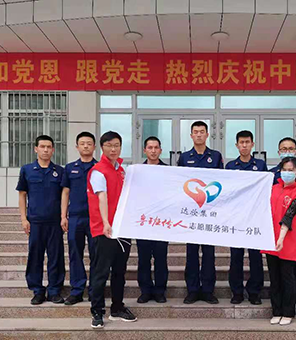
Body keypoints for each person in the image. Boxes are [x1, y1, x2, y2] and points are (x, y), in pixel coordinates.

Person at [87, 131, 137, 329]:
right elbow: (102, 198)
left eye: (117, 145)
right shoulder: (98, 171)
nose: (113, 149)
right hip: (104, 229)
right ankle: (97, 311)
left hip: (122, 229)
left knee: (119, 271)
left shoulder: (122, 170)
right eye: (109, 145)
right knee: (100, 272)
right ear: (102, 148)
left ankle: (117, 308)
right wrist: (106, 222)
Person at [177, 121, 224, 305]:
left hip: (209, 213)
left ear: (207, 135)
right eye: (195, 132)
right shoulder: (184, 157)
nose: (198, 135)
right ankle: (192, 290)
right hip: (191, 213)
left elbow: (222, 182)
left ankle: (208, 290)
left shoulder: (216, 156)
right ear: (191, 135)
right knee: (191, 253)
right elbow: (179, 183)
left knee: (209, 254)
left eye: (201, 132)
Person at [16, 135, 65, 305]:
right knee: (35, 257)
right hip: (35, 221)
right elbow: (22, 195)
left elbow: (65, 196)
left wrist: (63, 217)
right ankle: (37, 290)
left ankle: (54, 291)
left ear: (53, 150)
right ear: (35, 149)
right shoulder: (27, 170)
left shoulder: (60, 171)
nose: (45, 150)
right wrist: (24, 219)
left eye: (49, 147)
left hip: (54, 222)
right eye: (42, 146)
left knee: (56, 257)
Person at [262, 156, 296, 326]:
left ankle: (288, 312)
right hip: (271, 238)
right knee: (274, 277)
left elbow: (289, 216)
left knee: (287, 276)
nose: (287, 173)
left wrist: (281, 238)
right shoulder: (273, 188)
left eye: (291, 170)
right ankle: (276, 311)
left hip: (287, 239)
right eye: (284, 170)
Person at [225, 130, 267, 305]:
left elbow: (265, 191)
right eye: (241, 142)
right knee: (236, 257)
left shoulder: (260, 165)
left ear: (252, 144)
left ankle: (254, 292)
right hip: (236, 218)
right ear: (237, 145)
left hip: (255, 217)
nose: (244, 145)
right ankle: (237, 292)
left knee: (255, 257)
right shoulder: (230, 166)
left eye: (247, 142)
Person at [270, 137, 296, 304]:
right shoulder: (272, 173)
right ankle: (280, 296)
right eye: (284, 149)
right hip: (275, 225)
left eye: (290, 148)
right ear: (278, 151)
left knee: (295, 257)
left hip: (294, 223)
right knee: (277, 262)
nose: (287, 151)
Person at [60, 132, 97, 306]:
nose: (86, 146)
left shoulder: (100, 167)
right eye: (82, 143)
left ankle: (95, 290)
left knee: (97, 255)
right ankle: (77, 290)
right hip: (75, 217)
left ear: (94, 147)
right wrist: (63, 216)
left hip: (95, 218)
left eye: (89, 143)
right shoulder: (69, 168)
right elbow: (65, 192)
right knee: (75, 254)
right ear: (77, 147)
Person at [136, 136, 169, 304]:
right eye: (150, 147)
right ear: (145, 150)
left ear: (160, 150)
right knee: (143, 259)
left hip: (162, 222)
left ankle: (160, 291)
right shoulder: (137, 172)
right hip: (144, 222)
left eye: (156, 148)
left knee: (161, 258)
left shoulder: (168, 171)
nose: (153, 151)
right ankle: (145, 291)